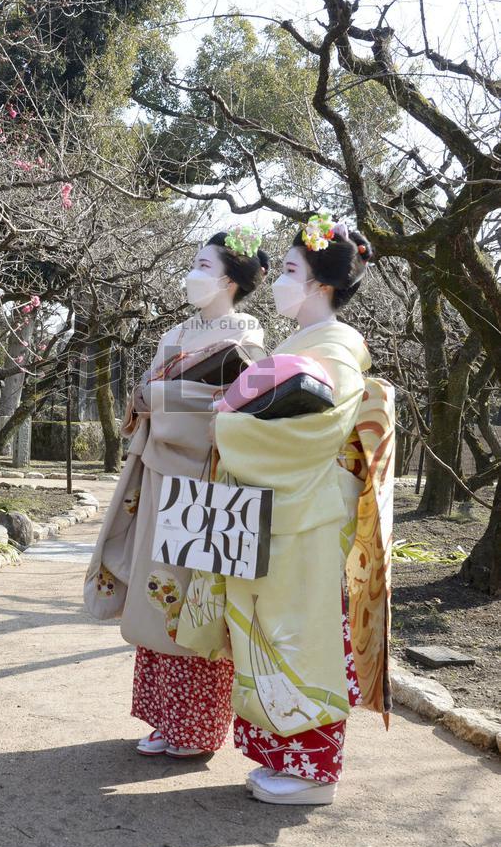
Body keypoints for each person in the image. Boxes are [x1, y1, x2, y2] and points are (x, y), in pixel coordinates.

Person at [177, 214, 395, 803]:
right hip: (278, 513)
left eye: (291, 270)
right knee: (267, 631)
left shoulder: (337, 350)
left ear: (321, 286)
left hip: (306, 515)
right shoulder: (304, 343)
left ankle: (313, 770)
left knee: (303, 636)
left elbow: (314, 436)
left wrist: (231, 426)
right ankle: (283, 757)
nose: (280, 280)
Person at [84, 227, 268, 758]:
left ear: (231, 280)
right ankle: (165, 718)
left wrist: (160, 397)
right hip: (160, 475)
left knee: (192, 596)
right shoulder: (176, 334)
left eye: (204, 265)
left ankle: (195, 728)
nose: (194, 272)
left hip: (204, 482)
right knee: (154, 594)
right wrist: (148, 397)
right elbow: (146, 397)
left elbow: (233, 411)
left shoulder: (248, 341)